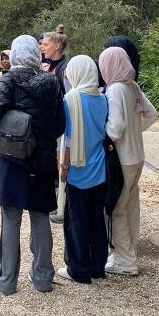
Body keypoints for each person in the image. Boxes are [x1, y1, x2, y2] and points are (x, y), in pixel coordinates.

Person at [0, 35, 65, 295]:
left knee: (11, 218)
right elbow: (61, 124)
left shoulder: (9, 78)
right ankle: (42, 278)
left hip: (13, 158)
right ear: (36, 55)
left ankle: (7, 281)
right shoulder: (51, 82)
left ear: (16, 54)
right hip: (41, 159)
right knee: (40, 216)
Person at [98, 46, 158, 276]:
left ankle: (124, 260)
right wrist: (136, 130)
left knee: (116, 209)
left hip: (120, 160)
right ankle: (129, 253)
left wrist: (101, 136)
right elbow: (151, 115)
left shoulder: (114, 90)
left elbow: (115, 127)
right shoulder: (132, 86)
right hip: (137, 157)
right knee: (130, 206)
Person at [56, 55, 109, 283]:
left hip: (78, 167)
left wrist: (63, 167)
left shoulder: (70, 99)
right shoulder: (103, 98)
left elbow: (67, 139)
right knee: (97, 218)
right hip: (99, 166)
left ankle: (78, 269)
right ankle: (98, 265)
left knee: (76, 220)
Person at [41, 24, 70, 93]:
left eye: (45, 44)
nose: (42, 47)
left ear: (57, 46)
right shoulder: (53, 67)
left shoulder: (65, 69)